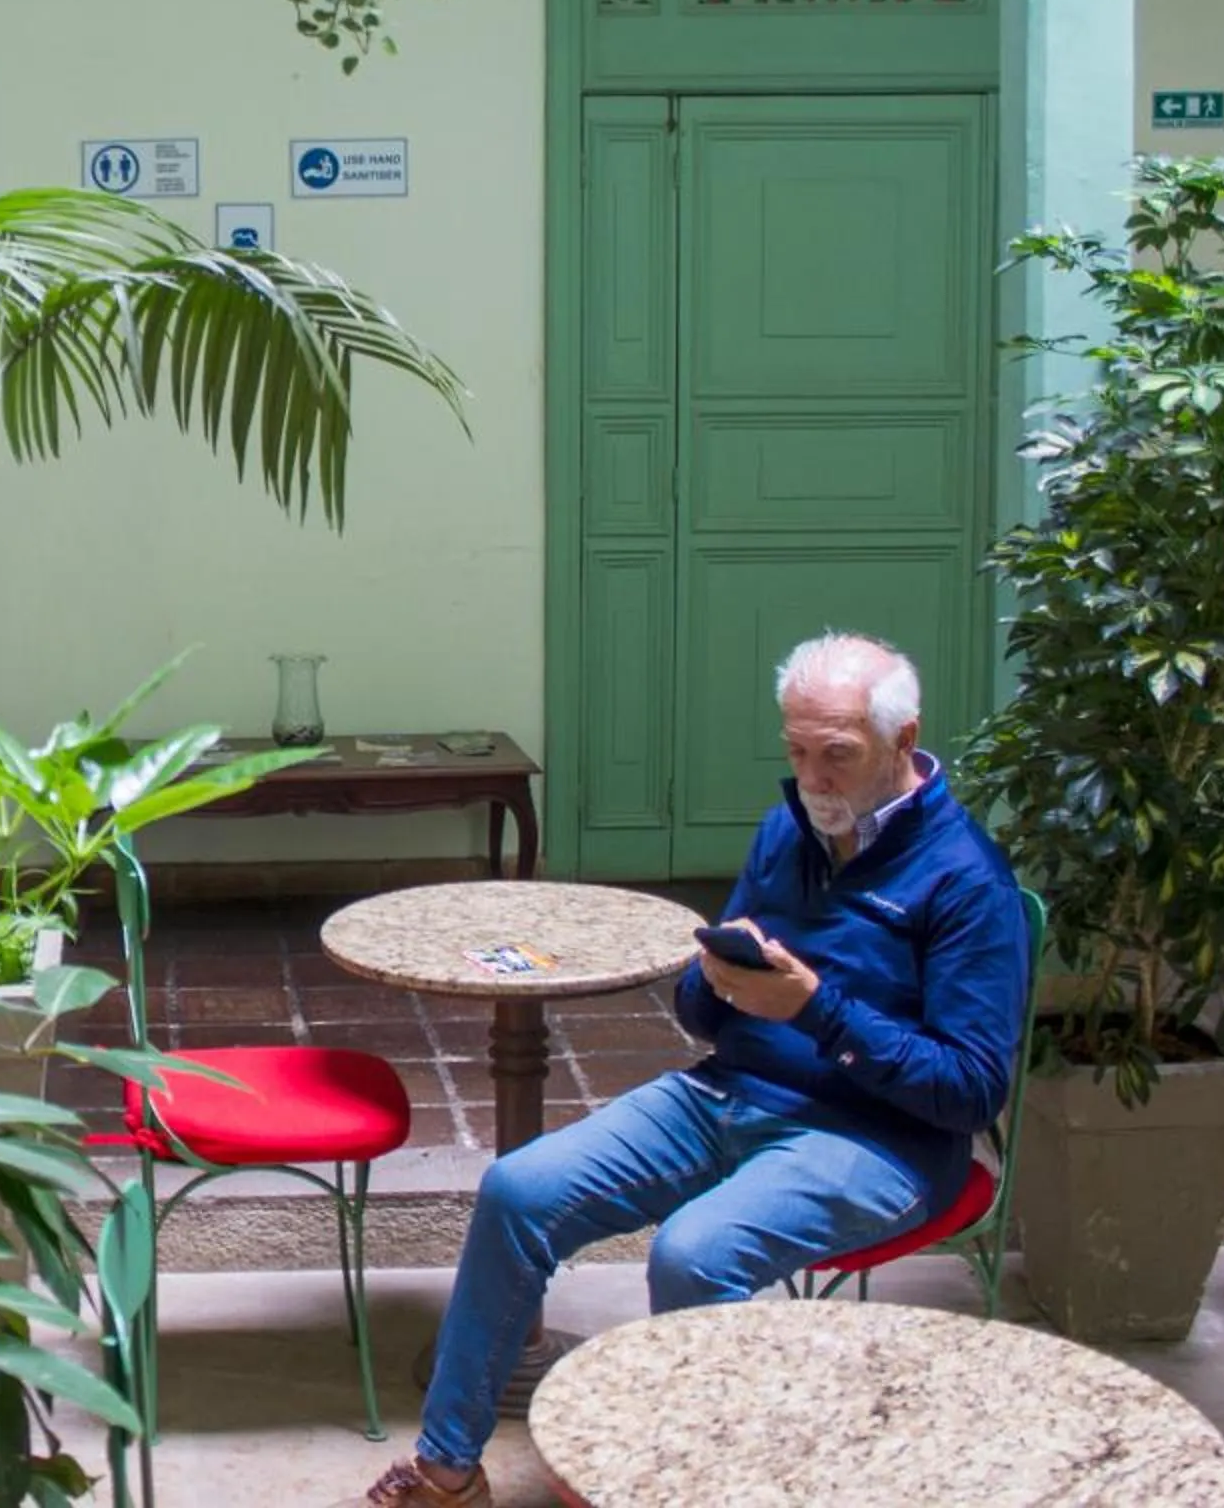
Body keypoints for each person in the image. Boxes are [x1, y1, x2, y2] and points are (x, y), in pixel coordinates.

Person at [365, 633, 1031, 1508]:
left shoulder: (965, 880)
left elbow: (973, 1092)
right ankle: (448, 1475)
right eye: (797, 752)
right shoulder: (786, 830)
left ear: (904, 742)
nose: (814, 780)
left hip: (880, 1140)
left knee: (694, 1254)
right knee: (518, 1190)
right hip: (729, 1094)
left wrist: (816, 1008)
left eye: (837, 756)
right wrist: (712, 984)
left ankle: (691, 1485)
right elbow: (703, 1016)